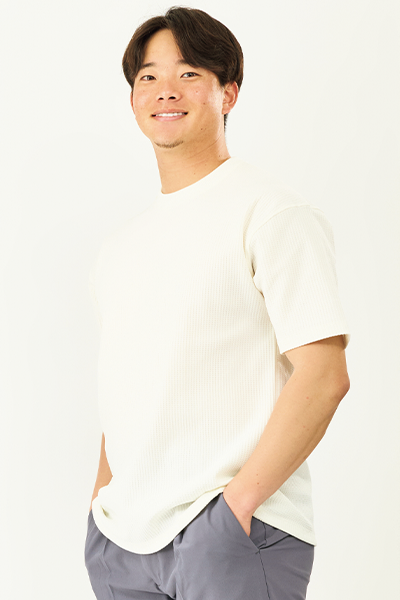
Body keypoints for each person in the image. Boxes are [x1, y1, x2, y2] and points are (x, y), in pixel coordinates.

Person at [84, 7, 350, 600]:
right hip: (121, 543)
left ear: (228, 93)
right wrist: (102, 508)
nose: (165, 91)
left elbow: (324, 375)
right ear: (133, 99)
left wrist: (236, 508)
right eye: (149, 77)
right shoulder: (119, 247)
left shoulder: (272, 213)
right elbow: (127, 388)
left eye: (188, 73)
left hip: (226, 535)